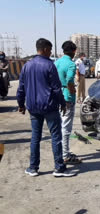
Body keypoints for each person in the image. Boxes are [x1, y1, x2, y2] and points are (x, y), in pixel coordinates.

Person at [16, 38, 75, 177]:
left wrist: (21, 105)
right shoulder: (49, 65)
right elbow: (56, 89)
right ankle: (59, 168)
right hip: (49, 107)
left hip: (33, 107)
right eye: (49, 50)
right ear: (44, 49)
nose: (50, 53)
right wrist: (62, 103)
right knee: (56, 137)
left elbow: (21, 88)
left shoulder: (27, 66)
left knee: (35, 137)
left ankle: (33, 168)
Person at [55, 41, 82, 164]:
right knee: (66, 128)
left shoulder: (57, 62)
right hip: (67, 98)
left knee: (60, 125)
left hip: (57, 96)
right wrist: (72, 90)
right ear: (74, 51)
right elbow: (70, 80)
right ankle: (65, 155)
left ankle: (62, 151)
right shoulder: (71, 64)